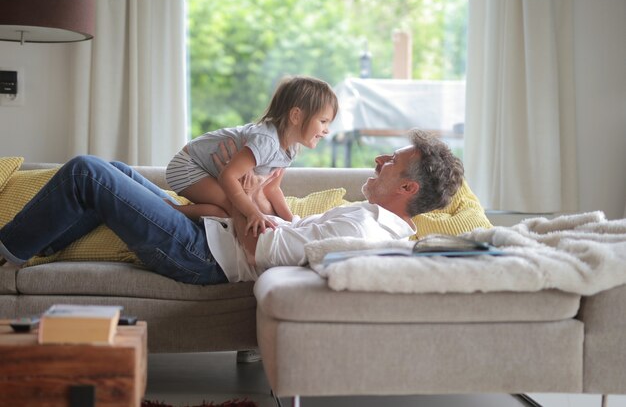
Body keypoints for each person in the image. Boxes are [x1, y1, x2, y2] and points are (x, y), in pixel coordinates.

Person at [0, 130, 464, 285]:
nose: (379, 160)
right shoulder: (371, 221)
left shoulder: (368, 229)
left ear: (405, 187)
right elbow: (293, 234)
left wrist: (239, 194)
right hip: (210, 236)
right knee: (113, 170)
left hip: (201, 255)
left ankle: (7, 253)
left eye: (392, 161)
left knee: (87, 171)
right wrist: (256, 193)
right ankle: (37, 249)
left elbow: (267, 251)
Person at [166, 75, 338, 236]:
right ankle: (169, 209)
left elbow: (272, 189)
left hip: (207, 171)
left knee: (222, 213)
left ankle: (180, 210)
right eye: (323, 121)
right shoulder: (267, 141)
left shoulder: (290, 148)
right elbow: (228, 176)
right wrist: (253, 213)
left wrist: (292, 223)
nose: (326, 130)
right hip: (188, 166)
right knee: (234, 210)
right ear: (295, 116)